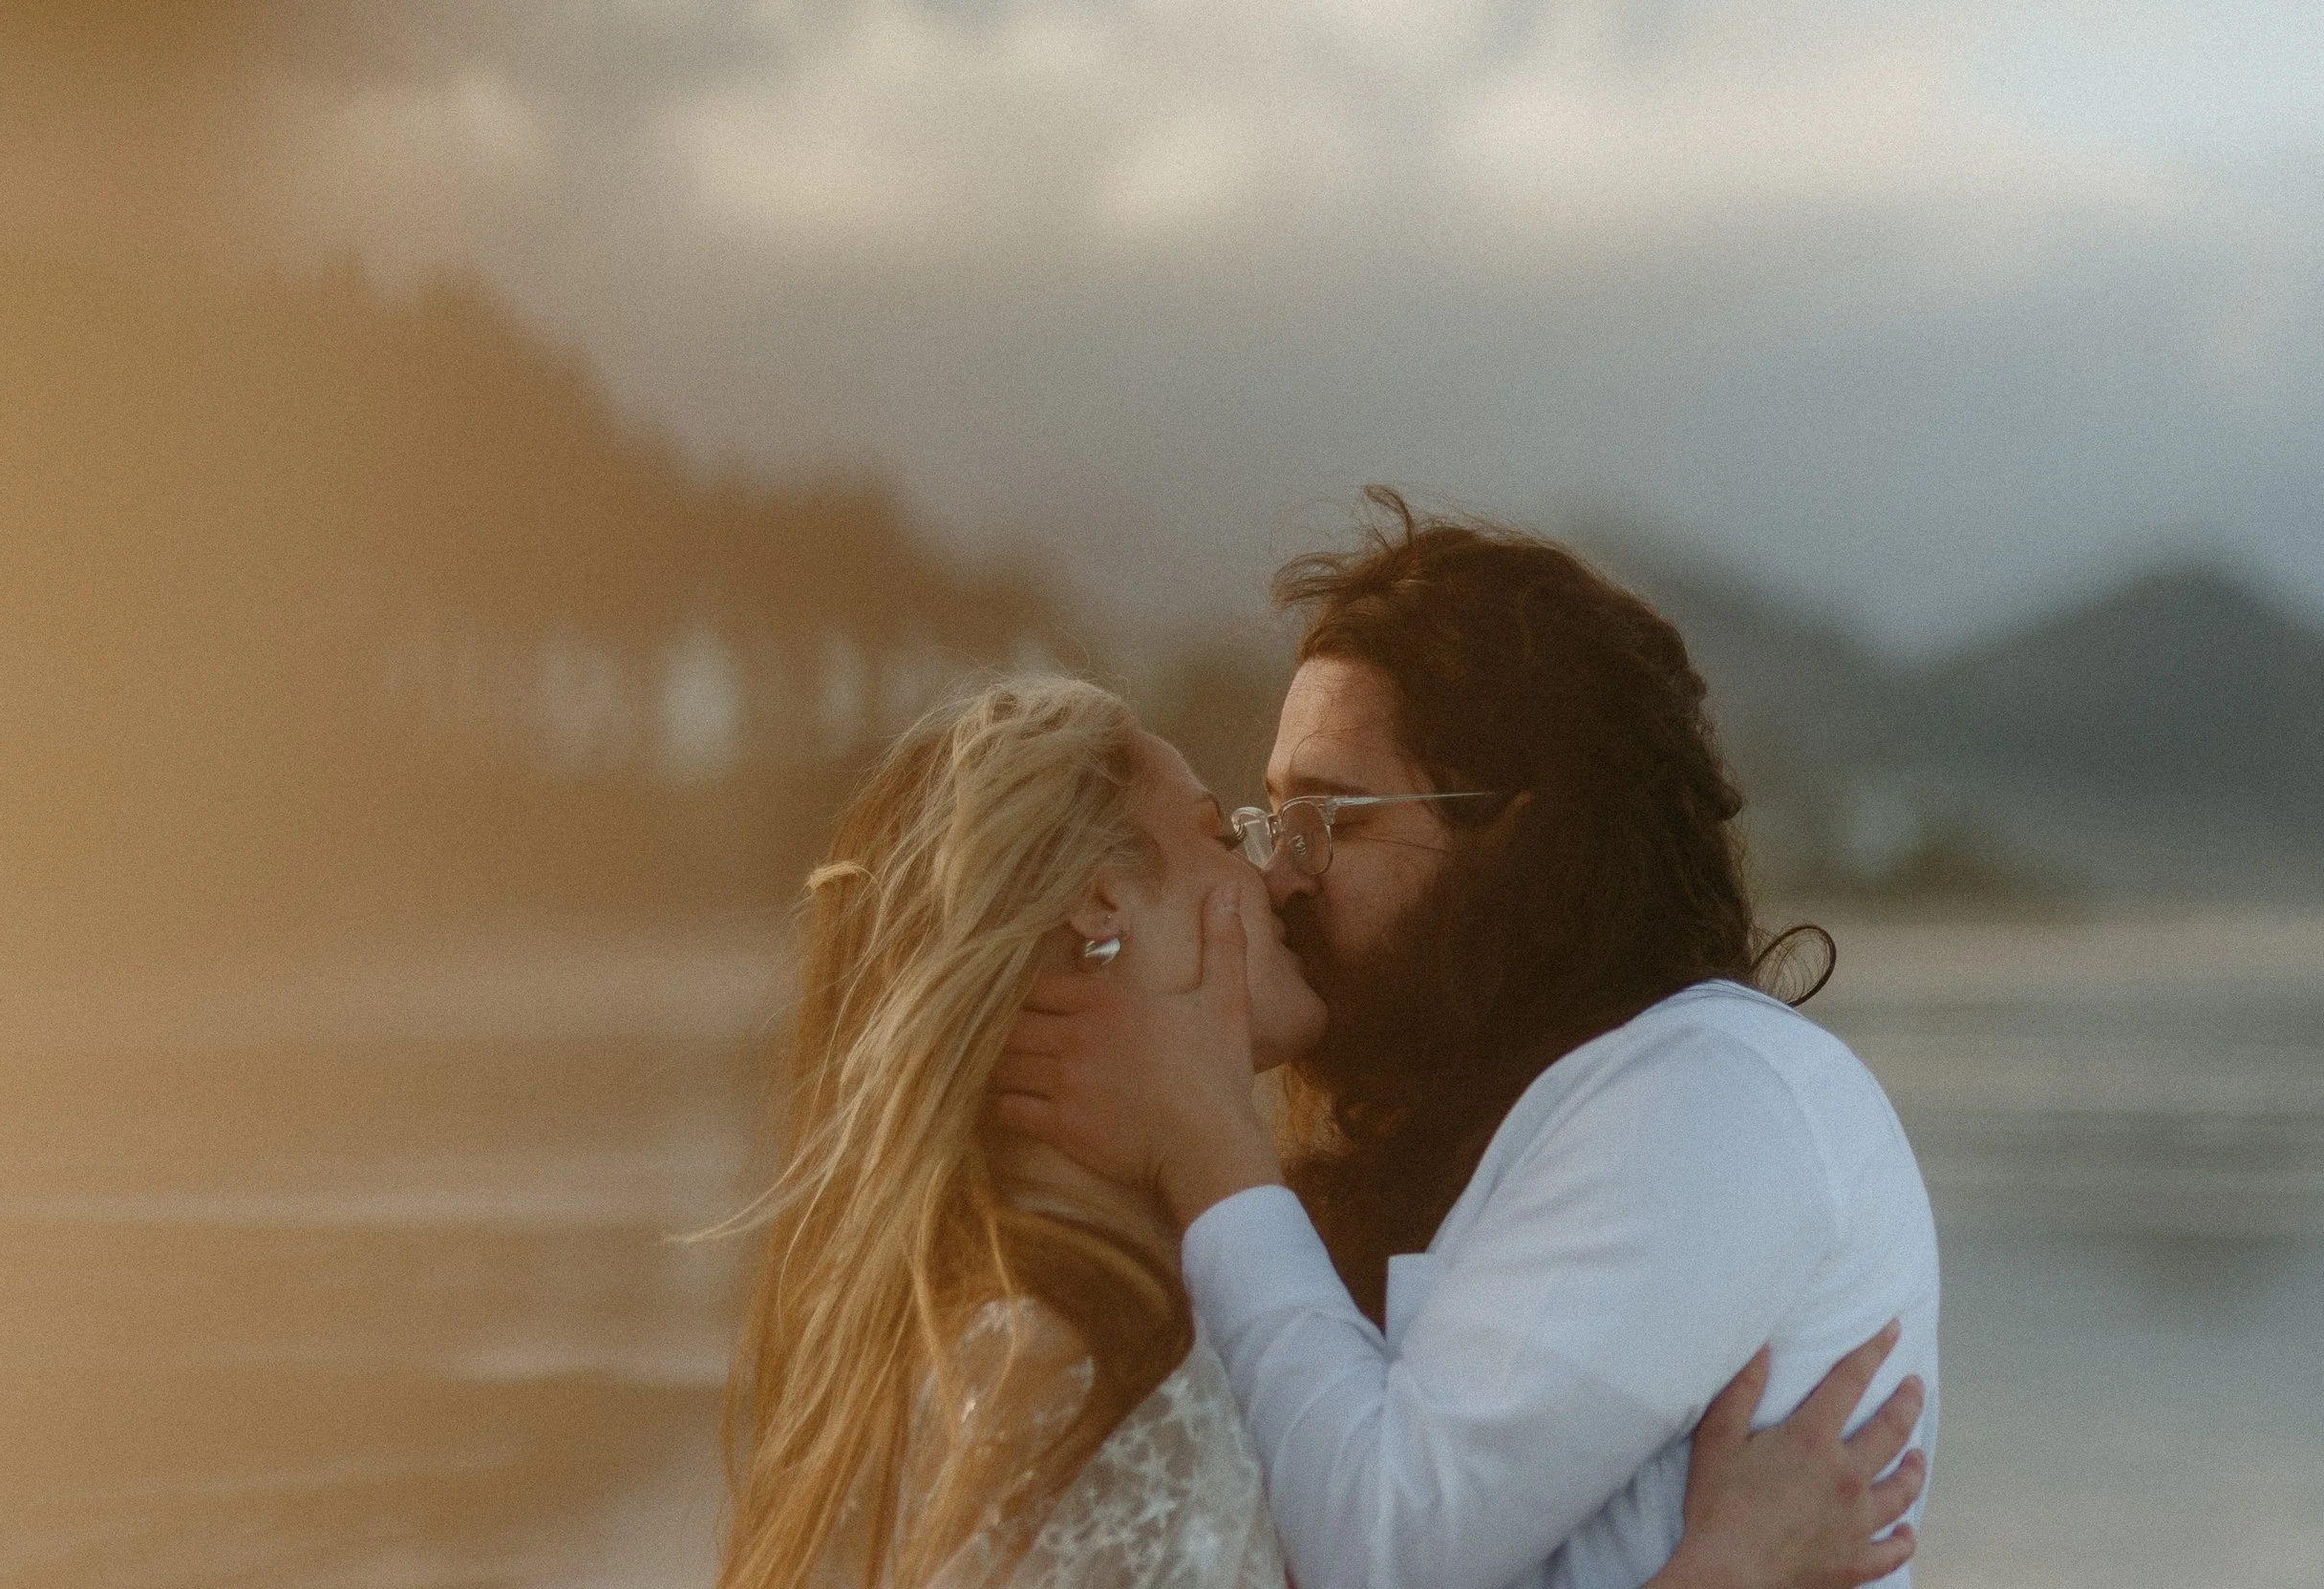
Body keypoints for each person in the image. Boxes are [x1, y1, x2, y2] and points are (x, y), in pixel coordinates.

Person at [725, 675, 1927, 1589]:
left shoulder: (990, 1314)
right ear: (1101, 901)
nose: (1277, 879)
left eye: (1315, 825)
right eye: (1221, 831)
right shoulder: (1088, 1358)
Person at [994, 498, 1943, 1589]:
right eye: (1268, 820)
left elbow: (1384, 1546)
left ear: (1525, 841)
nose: (1280, 873)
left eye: (1333, 818)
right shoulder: (1474, 1126)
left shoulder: (1709, 1093)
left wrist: (1208, 1139)